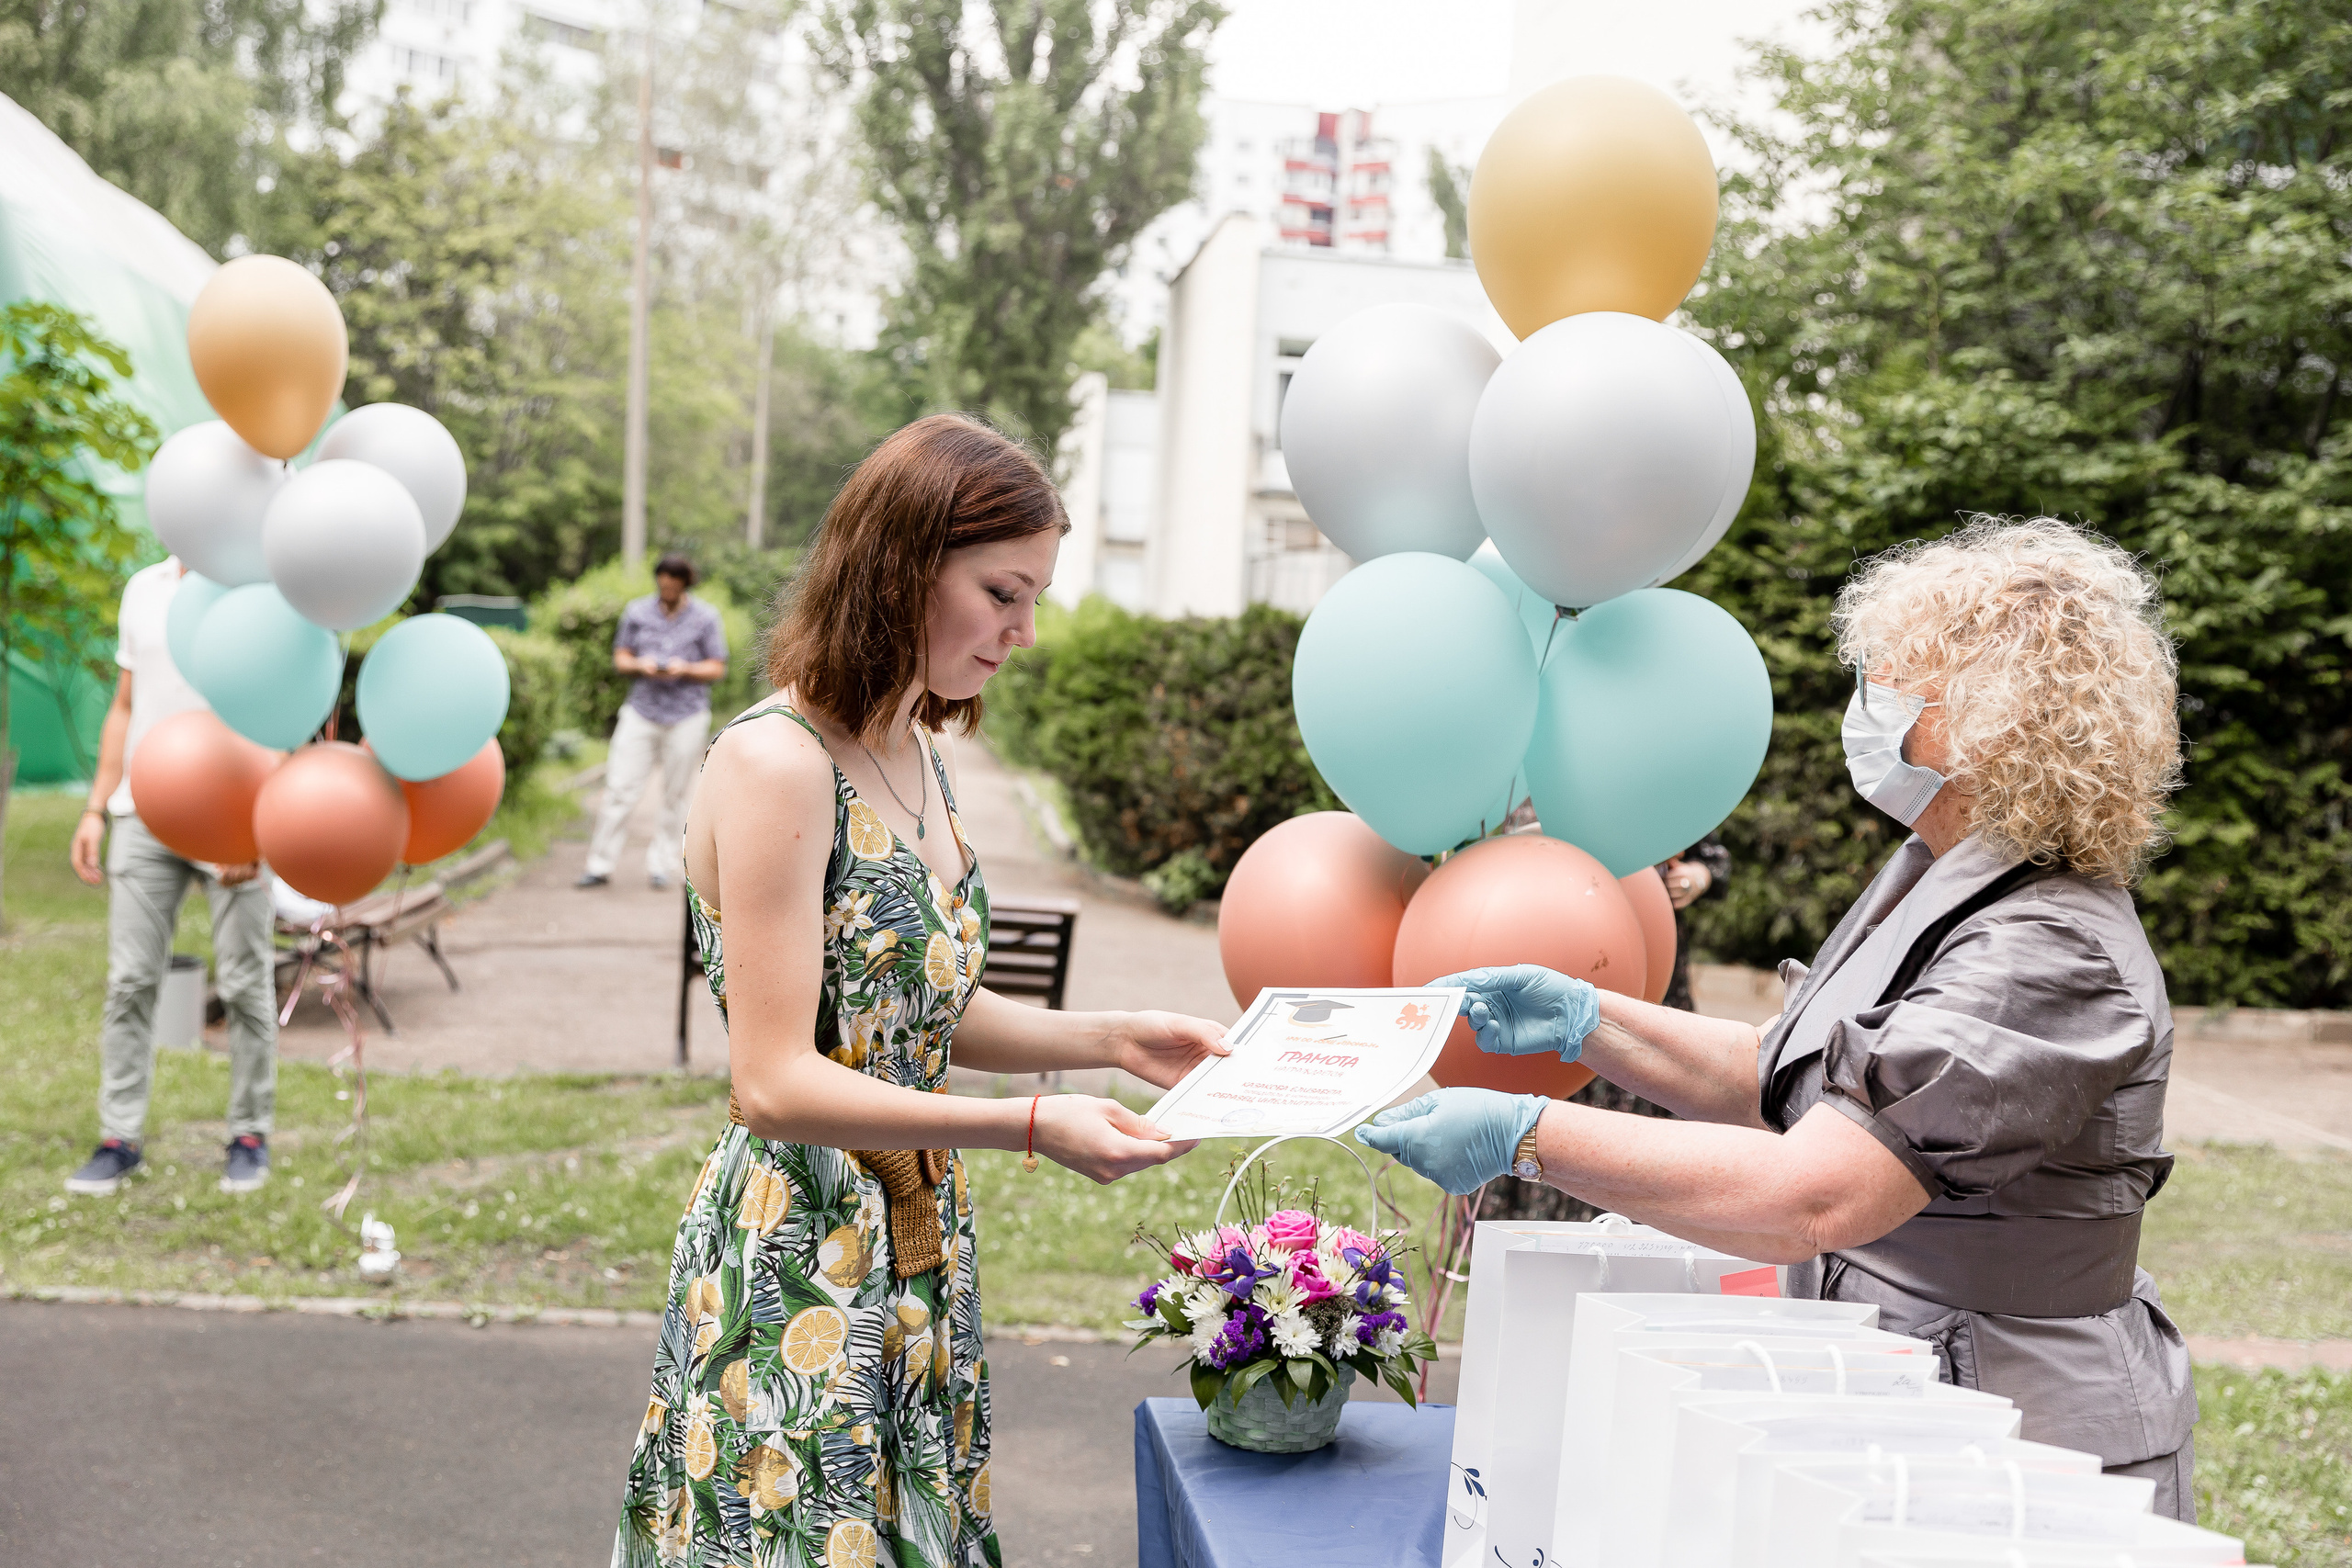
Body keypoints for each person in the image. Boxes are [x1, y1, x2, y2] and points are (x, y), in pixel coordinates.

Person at [1360, 518, 2199, 1519]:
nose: (1867, 705)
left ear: (1988, 722)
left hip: (2017, 1420)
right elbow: (1792, 1075)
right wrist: (1586, 1022)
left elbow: (1816, 1194)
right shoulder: (1945, 877)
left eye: (1896, 685)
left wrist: (1526, 1137)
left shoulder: (2048, 946)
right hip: (1910, 1370)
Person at [612, 415, 1227, 1567]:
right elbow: (775, 1081)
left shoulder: (912, 749)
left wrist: (1112, 1036)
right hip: (799, 1253)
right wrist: (1034, 1125)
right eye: (1003, 591)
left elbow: (910, 1019)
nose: (1024, 632)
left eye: (1034, 598)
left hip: (915, 1244)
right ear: (902, 566)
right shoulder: (775, 761)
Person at [64, 558, 278, 1197]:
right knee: (130, 979)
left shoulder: (257, 590)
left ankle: (249, 1135)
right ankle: (118, 1137)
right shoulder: (143, 587)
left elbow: (280, 708)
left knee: (243, 981)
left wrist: (256, 823)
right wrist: (95, 808)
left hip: (231, 808)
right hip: (143, 810)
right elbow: (125, 705)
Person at [578, 551, 729, 890]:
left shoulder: (706, 617)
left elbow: (717, 666)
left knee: (676, 794)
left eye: (673, 585)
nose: (667, 590)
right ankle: (599, 864)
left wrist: (685, 668)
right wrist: (639, 665)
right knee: (619, 788)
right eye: (662, 584)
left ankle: (663, 864)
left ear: (684, 584)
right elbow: (621, 657)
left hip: (686, 713)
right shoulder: (637, 611)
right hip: (641, 710)